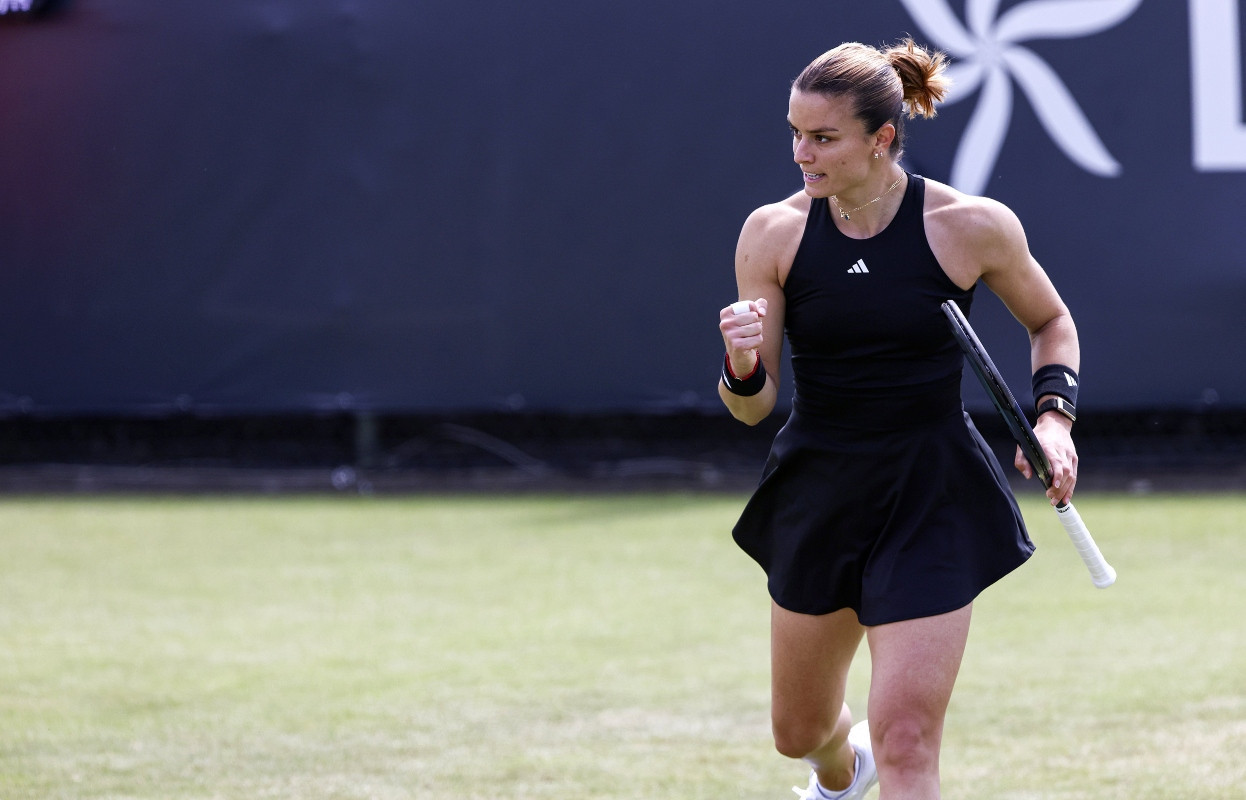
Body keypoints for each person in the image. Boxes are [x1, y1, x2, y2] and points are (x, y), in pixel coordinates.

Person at [716, 39, 1081, 800]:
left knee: (909, 739)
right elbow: (750, 408)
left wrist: (1053, 421)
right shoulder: (773, 234)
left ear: (881, 139)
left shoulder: (969, 225)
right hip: (820, 487)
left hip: (932, 490)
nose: (799, 154)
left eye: (822, 138)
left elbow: (1051, 322)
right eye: (794, 133)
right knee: (798, 732)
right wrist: (741, 364)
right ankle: (839, 778)